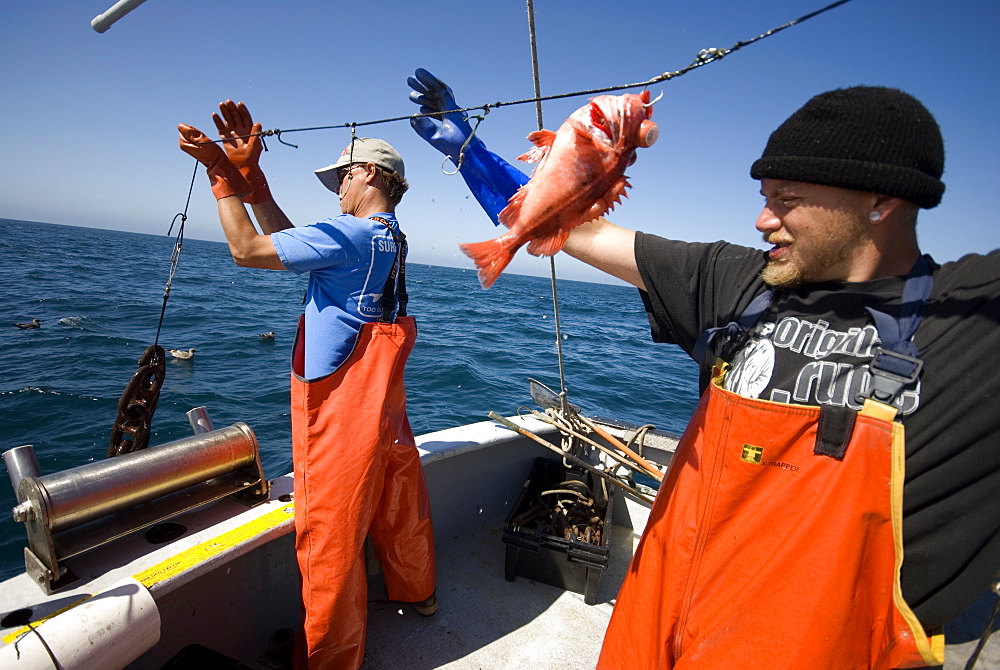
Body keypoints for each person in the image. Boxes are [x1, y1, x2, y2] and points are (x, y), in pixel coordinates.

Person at [408, 69, 1000, 668]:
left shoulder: (968, 325)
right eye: (765, 198)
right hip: (656, 631)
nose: (762, 221)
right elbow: (560, 225)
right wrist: (469, 154)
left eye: (787, 201)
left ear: (881, 200)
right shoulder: (737, 281)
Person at [177, 102, 437, 670]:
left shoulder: (349, 233)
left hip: (340, 409)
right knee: (397, 487)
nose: (337, 189)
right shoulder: (386, 238)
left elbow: (248, 251)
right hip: (381, 398)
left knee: (329, 534)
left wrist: (221, 176)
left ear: (369, 174)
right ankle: (419, 591)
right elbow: (297, 241)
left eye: (342, 176)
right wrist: (255, 182)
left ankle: (329, 659)